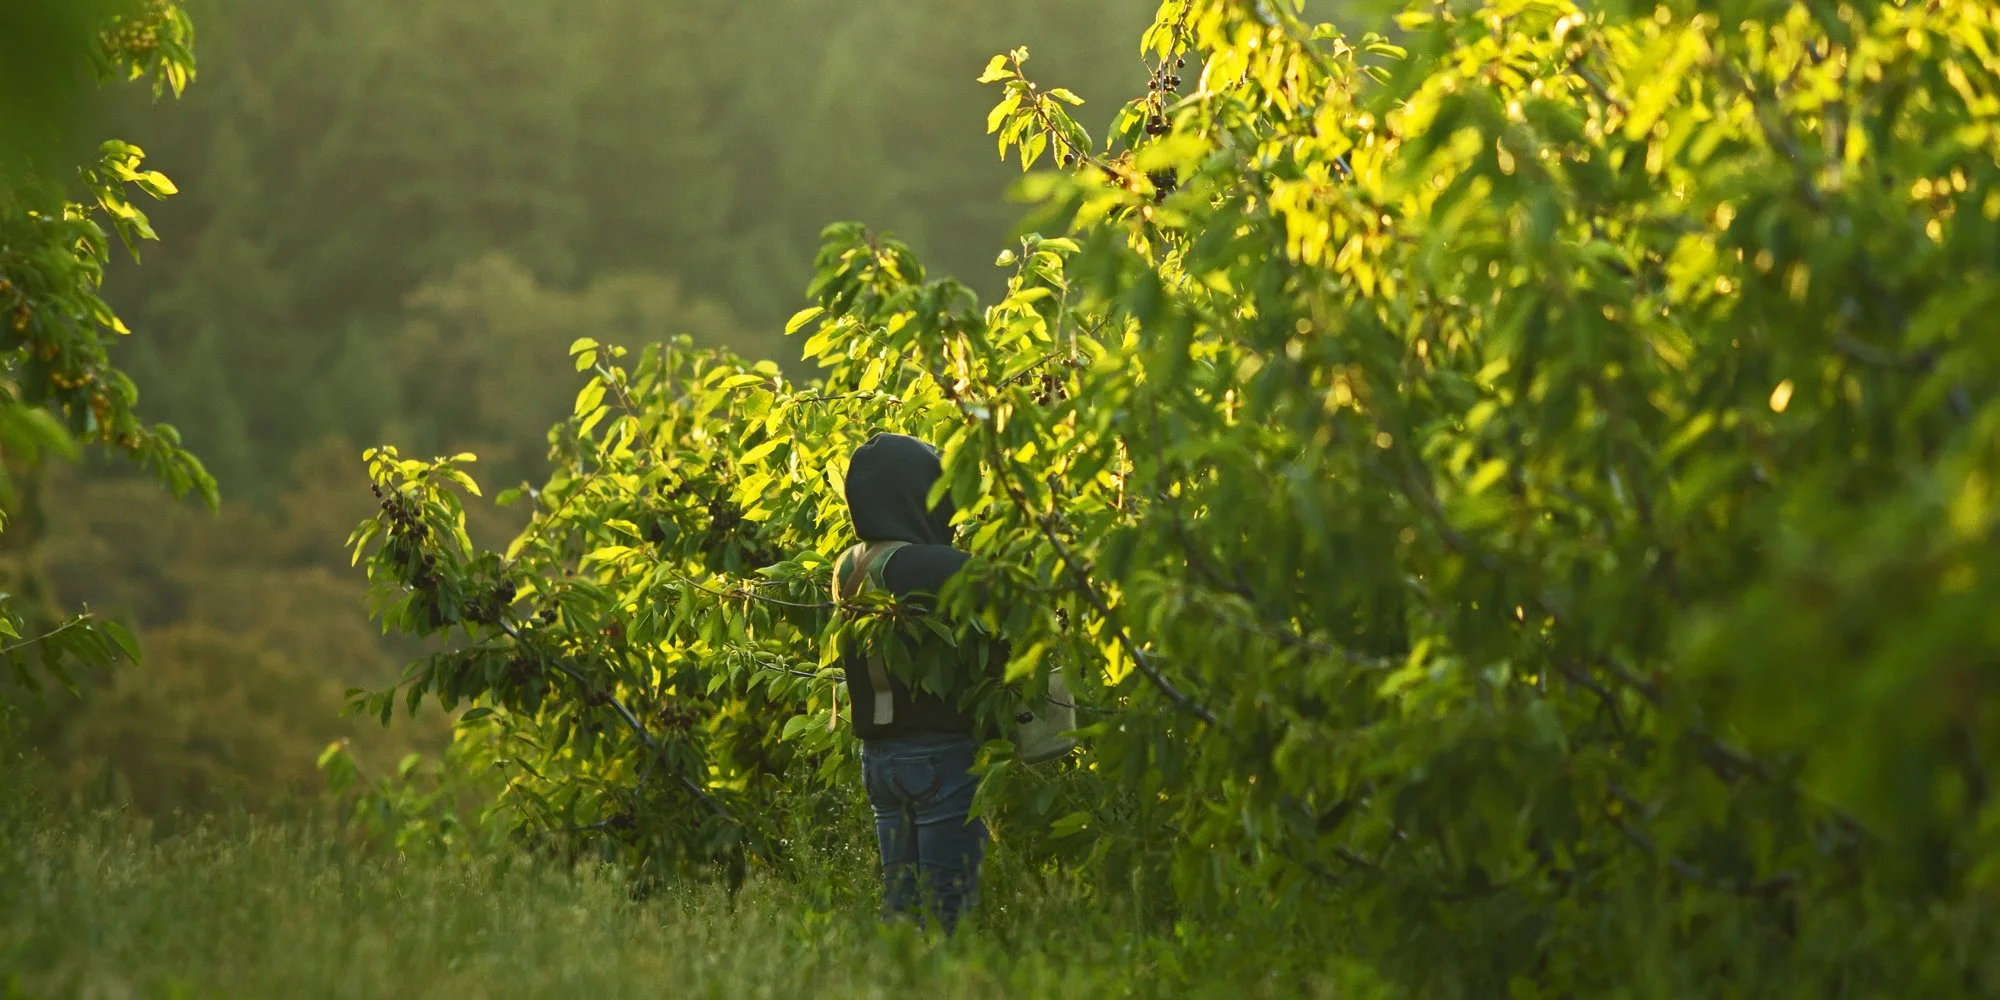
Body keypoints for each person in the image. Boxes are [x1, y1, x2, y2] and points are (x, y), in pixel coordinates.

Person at [831, 432, 996, 933]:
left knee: (903, 909)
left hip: (882, 761)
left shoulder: (851, 564)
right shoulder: (929, 565)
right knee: (948, 910)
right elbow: (1008, 585)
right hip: (941, 757)